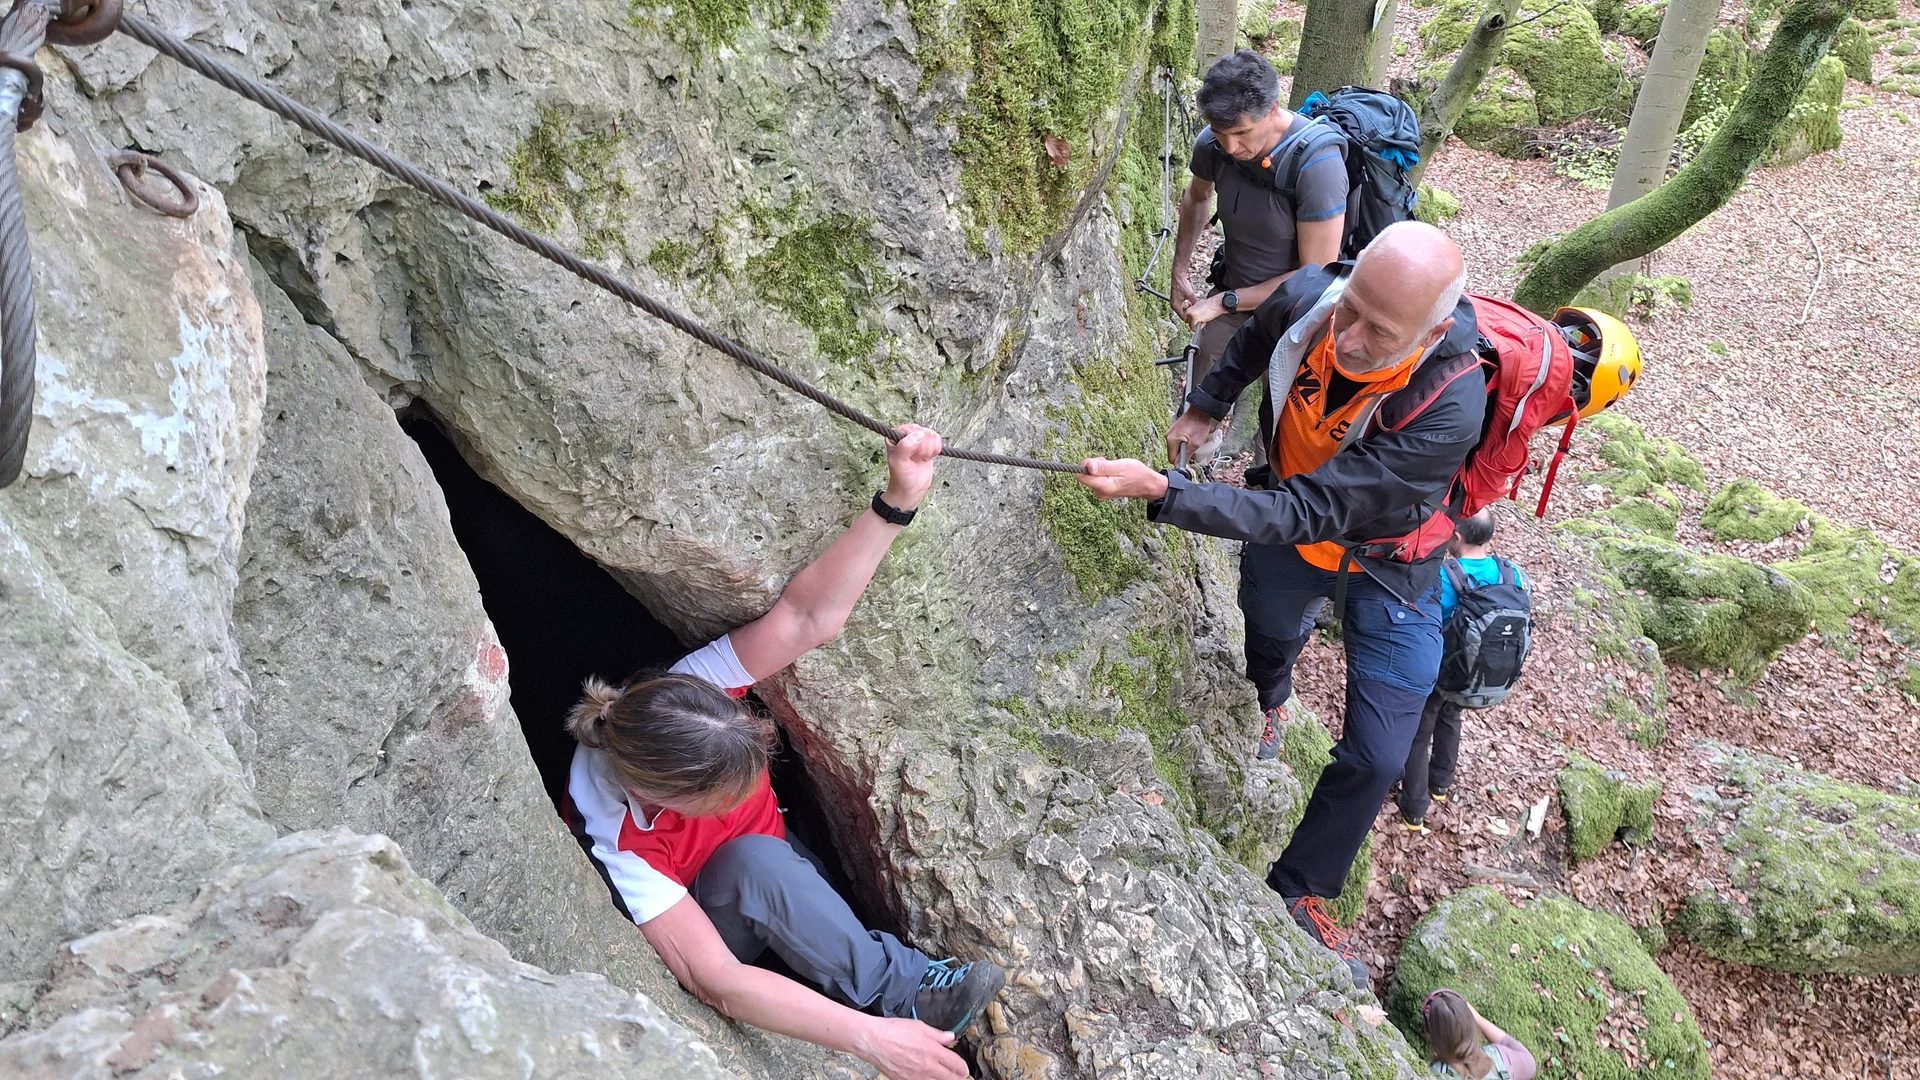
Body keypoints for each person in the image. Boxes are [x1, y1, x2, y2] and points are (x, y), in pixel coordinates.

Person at [1074, 221, 1484, 987]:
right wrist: (1208, 402)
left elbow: (1310, 511)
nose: (1349, 335)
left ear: (1430, 335)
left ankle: (1300, 888)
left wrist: (1168, 492)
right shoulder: (1311, 296)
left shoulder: (1449, 406)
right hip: (1291, 542)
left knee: (1379, 754)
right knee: (1266, 640)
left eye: (1379, 331)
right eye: (1351, 306)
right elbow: (1259, 335)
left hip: (1391, 567)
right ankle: (1273, 699)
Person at [562, 425, 1001, 1080]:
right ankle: (905, 996)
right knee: (757, 864)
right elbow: (714, 978)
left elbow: (806, 618)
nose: (741, 795)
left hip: (778, 859)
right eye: (724, 796)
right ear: (661, 795)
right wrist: (870, 1040)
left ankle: (853, 963)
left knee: (772, 860)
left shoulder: (687, 694)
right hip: (719, 910)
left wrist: (898, 500)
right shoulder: (614, 833)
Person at [1170, 49, 1347, 462]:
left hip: (1304, 317)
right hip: (1233, 297)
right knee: (1197, 409)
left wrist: (1224, 302)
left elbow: (1316, 276)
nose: (1231, 147)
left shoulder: (1317, 164)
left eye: (1242, 133)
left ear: (1272, 110)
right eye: (1220, 133)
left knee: (1285, 430)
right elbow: (1197, 198)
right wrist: (1179, 272)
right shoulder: (1213, 144)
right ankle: (1190, 474)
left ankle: (1267, 479)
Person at [1396, 509, 1529, 832]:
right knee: (1450, 716)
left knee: (1419, 732)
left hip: (1441, 668)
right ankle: (1440, 783)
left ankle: (1414, 808)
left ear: (1455, 536)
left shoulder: (1444, 575)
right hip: (1477, 673)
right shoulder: (1513, 573)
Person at [1420, 989, 1537, 1079]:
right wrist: (1479, 1019)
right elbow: (1528, 1062)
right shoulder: (1501, 1059)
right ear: (1472, 1025)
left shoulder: (1432, 1073)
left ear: (1430, 1036)